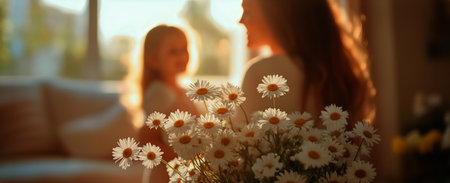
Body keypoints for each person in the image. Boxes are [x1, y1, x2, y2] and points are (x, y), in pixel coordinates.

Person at [237, 0, 375, 127]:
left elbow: (241, 145)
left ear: (277, 15)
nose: (241, 21)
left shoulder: (260, 72)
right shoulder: (340, 75)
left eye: (248, 12)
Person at [122, 24, 199, 182]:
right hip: (165, 175)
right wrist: (184, 158)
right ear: (154, 60)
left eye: (184, 48)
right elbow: (147, 139)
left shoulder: (181, 91)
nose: (182, 55)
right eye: (173, 52)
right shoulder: (159, 92)